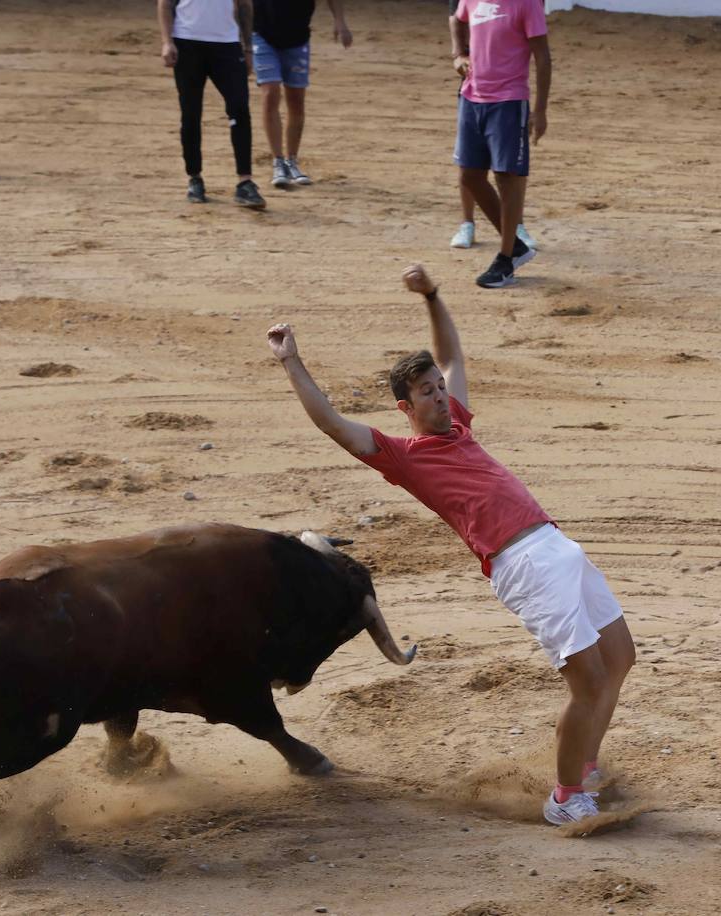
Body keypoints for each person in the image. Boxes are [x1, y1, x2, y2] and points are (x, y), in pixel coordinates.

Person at [265, 265, 635, 825]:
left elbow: (453, 356)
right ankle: (565, 798)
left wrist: (434, 296)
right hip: (523, 562)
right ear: (405, 409)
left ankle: (582, 766)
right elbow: (333, 424)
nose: (440, 396)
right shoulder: (403, 456)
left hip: (557, 546)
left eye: (439, 388)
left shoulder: (457, 426)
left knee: (620, 658)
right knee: (586, 682)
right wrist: (291, 360)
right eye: (426, 393)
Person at [451, 0, 550, 287]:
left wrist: (540, 110)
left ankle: (505, 258)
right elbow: (457, 20)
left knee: (507, 176)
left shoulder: (526, 4)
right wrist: (459, 54)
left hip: (508, 100)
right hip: (472, 96)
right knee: (470, 174)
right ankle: (516, 246)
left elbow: (542, 57)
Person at [158, 0, 267, 209]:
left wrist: (248, 48)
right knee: (190, 113)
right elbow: (165, 4)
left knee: (239, 108)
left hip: (226, 43)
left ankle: (245, 181)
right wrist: (167, 41)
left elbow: (244, 6)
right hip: (187, 41)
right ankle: (195, 177)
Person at [253, 0, 352, 190]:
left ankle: (292, 160)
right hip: (261, 33)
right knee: (270, 92)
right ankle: (278, 161)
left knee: (296, 100)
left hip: (297, 35)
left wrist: (340, 21)